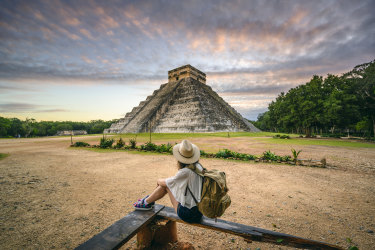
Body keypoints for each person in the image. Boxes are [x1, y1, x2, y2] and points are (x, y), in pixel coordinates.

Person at [133, 139, 203, 223]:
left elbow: (167, 183)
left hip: (188, 214)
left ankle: (145, 202)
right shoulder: (199, 167)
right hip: (199, 211)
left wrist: (158, 180)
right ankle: (147, 202)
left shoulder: (185, 172)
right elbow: (174, 181)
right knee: (167, 184)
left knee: (165, 185)